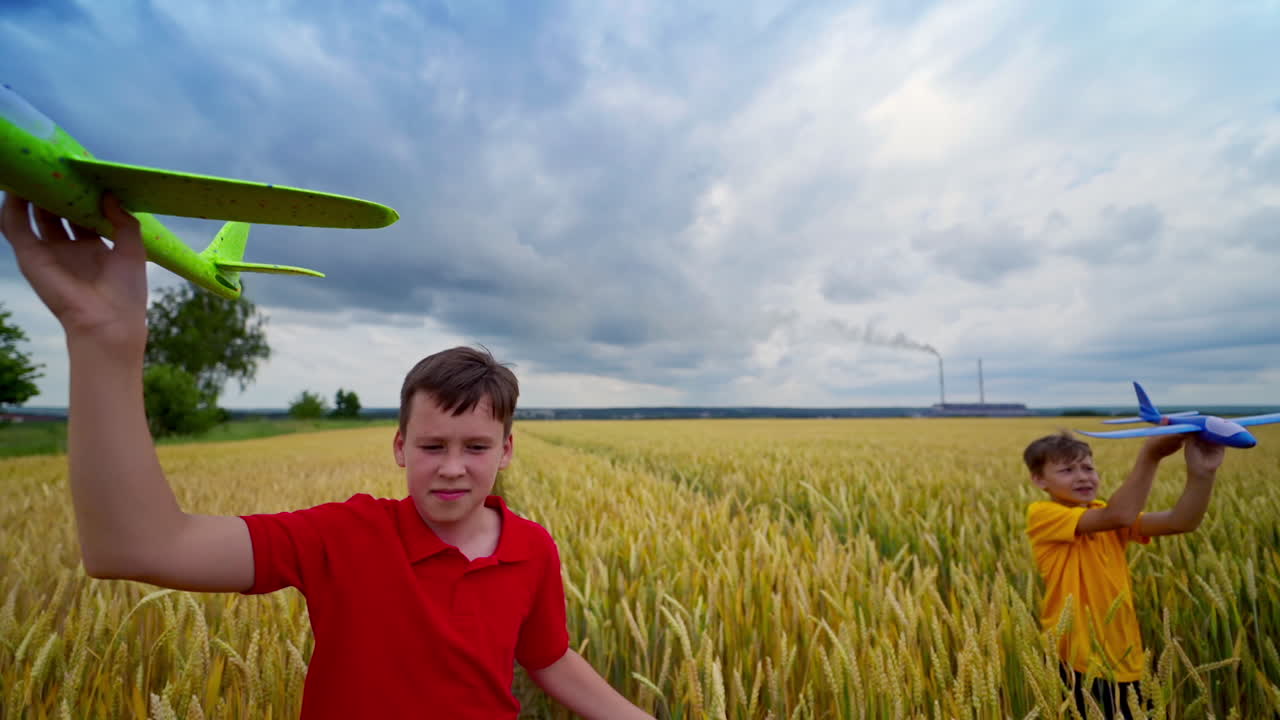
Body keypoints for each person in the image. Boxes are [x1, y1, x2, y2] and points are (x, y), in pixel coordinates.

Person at [0, 193, 655, 720]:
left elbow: (549, 659)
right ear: (399, 447)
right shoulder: (344, 536)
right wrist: (104, 338)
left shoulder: (532, 549)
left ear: (506, 451)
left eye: (476, 447)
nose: (453, 467)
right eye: (432, 446)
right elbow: (135, 548)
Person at [1023, 430, 1225, 720]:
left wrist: (1203, 474)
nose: (1082, 477)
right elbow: (1120, 515)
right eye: (1067, 470)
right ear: (1039, 480)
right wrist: (1150, 455)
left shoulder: (1104, 514)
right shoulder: (1043, 514)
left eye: (1088, 468)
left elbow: (1180, 522)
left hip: (1126, 657)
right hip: (1075, 659)